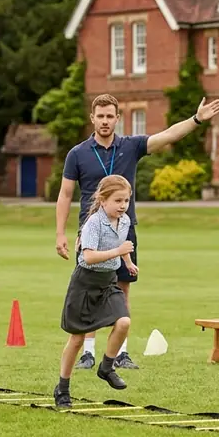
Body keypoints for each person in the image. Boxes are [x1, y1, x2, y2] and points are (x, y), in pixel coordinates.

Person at [55, 93, 219, 370]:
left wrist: (196, 120)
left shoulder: (130, 146)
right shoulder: (78, 153)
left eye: (110, 116)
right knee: (89, 289)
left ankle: (120, 353)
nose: (105, 121)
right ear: (92, 118)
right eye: (101, 116)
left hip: (124, 230)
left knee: (122, 289)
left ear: (117, 119)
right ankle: (87, 352)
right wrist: (60, 233)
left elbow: (167, 135)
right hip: (91, 231)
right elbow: (64, 195)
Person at [54, 175, 138, 408]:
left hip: (109, 281)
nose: (123, 206)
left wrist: (127, 261)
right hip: (85, 283)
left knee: (123, 322)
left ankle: (106, 367)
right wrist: (119, 251)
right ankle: (62, 388)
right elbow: (89, 257)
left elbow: (121, 245)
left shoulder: (124, 221)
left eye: (127, 201)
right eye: (118, 200)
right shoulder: (93, 223)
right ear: (103, 201)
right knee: (77, 338)